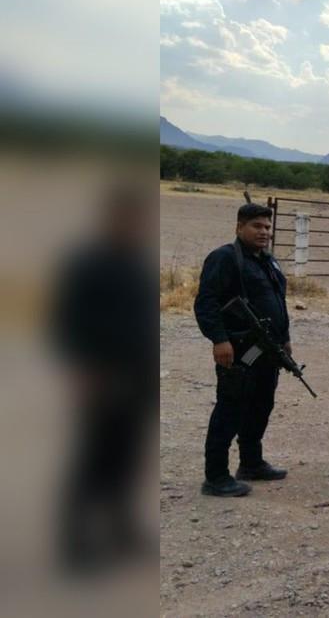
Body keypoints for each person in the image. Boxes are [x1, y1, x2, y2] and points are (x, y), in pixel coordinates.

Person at [50, 182, 157, 571]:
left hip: (137, 374)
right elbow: (65, 320)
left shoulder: (135, 263)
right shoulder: (86, 264)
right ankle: (74, 543)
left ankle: (120, 529)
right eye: (126, 217)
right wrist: (82, 370)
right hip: (100, 375)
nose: (133, 224)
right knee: (92, 459)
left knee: (127, 456)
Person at [194, 203, 292, 498]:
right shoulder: (224, 258)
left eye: (267, 227)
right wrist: (219, 340)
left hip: (266, 350)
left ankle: (251, 462)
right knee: (230, 406)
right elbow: (206, 303)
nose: (264, 232)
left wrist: (285, 337)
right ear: (239, 227)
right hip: (239, 350)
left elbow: (278, 300)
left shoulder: (267, 261)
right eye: (256, 226)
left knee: (261, 404)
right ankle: (216, 476)